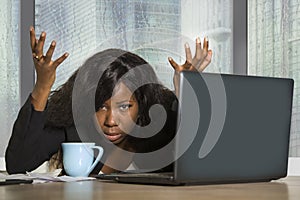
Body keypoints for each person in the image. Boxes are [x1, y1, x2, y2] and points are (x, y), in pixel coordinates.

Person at [5, 26, 212, 175]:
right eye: (101, 107)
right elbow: (18, 163)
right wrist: (42, 86)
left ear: (142, 104)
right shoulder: (74, 127)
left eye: (124, 107)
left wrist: (186, 92)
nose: (111, 121)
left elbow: (201, 163)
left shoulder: (159, 123)